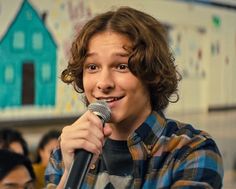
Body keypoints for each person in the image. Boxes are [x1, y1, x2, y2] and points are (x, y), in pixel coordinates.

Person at [45, 6, 223, 189]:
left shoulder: (191, 151)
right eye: (92, 67)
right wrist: (68, 175)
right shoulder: (67, 148)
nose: (103, 83)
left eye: (122, 66)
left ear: (153, 73)